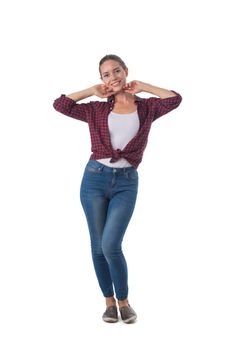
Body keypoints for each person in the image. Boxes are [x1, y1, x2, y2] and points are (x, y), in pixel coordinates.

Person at [53, 54, 182, 324]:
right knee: (98, 247)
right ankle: (109, 303)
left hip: (126, 183)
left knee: (111, 244)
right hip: (94, 180)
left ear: (126, 71)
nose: (113, 77)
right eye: (106, 75)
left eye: (116, 71)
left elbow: (174, 99)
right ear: (103, 80)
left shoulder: (146, 108)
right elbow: (60, 105)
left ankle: (124, 300)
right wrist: (91, 91)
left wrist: (144, 86)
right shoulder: (96, 109)